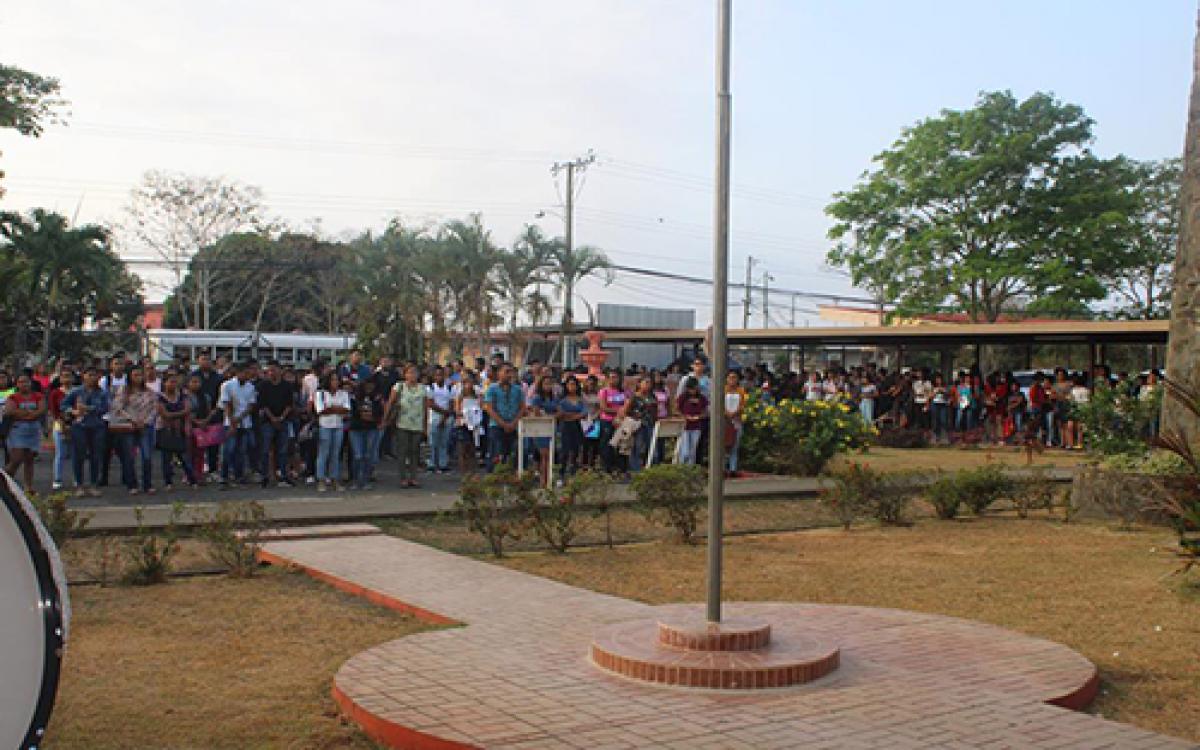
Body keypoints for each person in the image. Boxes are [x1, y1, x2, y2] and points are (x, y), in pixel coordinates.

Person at [108, 367, 157, 495]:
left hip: (145, 426)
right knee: (129, 457)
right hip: (129, 426)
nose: (138, 377)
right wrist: (133, 420)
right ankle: (132, 484)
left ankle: (147, 484)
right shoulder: (123, 391)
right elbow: (118, 408)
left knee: (146, 456)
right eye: (135, 375)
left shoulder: (150, 392)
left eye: (140, 374)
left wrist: (145, 421)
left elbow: (154, 409)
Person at [63, 367, 109, 497]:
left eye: (95, 375)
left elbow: (105, 408)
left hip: (97, 426)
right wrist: (73, 411)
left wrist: (88, 408)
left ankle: (94, 484)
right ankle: (79, 484)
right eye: (89, 375)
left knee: (96, 456)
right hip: (79, 426)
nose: (92, 378)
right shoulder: (76, 391)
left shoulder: (102, 393)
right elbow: (64, 405)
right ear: (83, 376)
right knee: (79, 456)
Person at [387, 365, 429, 487]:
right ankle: (403, 478)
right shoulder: (399, 386)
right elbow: (390, 403)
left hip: (417, 423)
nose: (412, 375)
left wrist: (425, 425)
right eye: (409, 373)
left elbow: (425, 407)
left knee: (415, 451)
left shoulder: (423, 388)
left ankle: (413, 477)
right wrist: (386, 418)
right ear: (405, 374)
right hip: (402, 423)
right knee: (403, 451)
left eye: (415, 373)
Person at [4, 374, 46, 492]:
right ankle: (5, 481)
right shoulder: (13, 397)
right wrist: (30, 413)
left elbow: (41, 410)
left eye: (26, 381)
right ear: (17, 384)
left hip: (33, 429)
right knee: (16, 459)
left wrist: (24, 413)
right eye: (21, 382)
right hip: (18, 429)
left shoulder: (38, 396)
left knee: (29, 459)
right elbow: (10, 411)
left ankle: (28, 487)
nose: (24, 384)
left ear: (30, 383)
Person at [218, 362, 258, 488]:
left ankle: (239, 476)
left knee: (241, 451)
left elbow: (250, 406)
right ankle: (223, 476)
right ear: (238, 372)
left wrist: (239, 418)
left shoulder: (250, 387)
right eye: (245, 373)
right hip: (230, 422)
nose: (247, 375)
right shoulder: (227, 385)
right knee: (228, 450)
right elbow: (226, 404)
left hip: (245, 422)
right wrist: (232, 422)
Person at [256, 360, 294, 487]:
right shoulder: (263, 385)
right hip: (267, 421)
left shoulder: (287, 386)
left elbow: (289, 404)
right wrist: (272, 418)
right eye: (269, 370)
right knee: (265, 450)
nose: (271, 373)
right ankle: (265, 476)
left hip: (283, 420)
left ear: (280, 370)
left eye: (274, 370)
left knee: (283, 450)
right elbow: (262, 404)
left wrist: (282, 417)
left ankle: (284, 475)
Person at [156, 372, 197, 489]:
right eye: (171, 382)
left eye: (175, 382)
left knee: (184, 457)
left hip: (181, 430)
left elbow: (188, 409)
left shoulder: (182, 396)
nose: (173, 384)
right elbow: (165, 415)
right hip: (165, 430)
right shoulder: (160, 398)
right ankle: (168, 482)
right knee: (166, 458)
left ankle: (192, 480)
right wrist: (180, 413)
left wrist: (174, 414)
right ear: (164, 383)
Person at [482, 364, 525, 471]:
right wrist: (503, 424)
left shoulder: (517, 389)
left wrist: (514, 423)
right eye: (506, 372)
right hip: (496, 426)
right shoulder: (492, 388)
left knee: (512, 455)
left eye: (511, 372)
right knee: (496, 455)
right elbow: (489, 408)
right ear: (499, 373)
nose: (509, 375)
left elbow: (522, 408)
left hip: (513, 426)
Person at [313, 372, 351, 492]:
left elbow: (347, 409)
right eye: (333, 380)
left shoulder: (343, 393)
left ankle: (334, 479)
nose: (335, 382)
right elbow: (320, 410)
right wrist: (337, 409)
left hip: (338, 426)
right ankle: (321, 479)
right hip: (325, 426)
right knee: (323, 453)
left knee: (336, 454)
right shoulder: (321, 393)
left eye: (337, 380)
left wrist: (331, 408)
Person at [192, 352, 224, 479]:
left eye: (208, 359)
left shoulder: (218, 377)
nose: (205, 361)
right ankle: (195, 471)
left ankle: (213, 469)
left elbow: (221, 397)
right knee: (196, 446)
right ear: (198, 361)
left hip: (214, 414)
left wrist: (213, 413)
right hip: (196, 415)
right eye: (203, 359)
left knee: (213, 445)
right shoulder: (193, 376)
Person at [348, 380, 383, 489]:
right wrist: (361, 415)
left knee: (368, 455)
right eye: (367, 386)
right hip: (356, 429)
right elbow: (352, 413)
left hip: (371, 428)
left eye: (372, 386)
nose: (369, 388)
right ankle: (355, 479)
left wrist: (373, 418)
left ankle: (365, 480)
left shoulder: (377, 399)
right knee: (358, 455)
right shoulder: (354, 398)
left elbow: (380, 413)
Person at [527, 374, 561, 483]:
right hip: (540, 429)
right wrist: (548, 415)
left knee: (550, 455)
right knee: (544, 455)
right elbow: (536, 412)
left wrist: (552, 416)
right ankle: (543, 480)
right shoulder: (537, 398)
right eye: (546, 384)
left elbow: (560, 412)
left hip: (552, 427)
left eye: (550, 384)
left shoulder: (554, 398)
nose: (548, 386)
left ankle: (549, 479)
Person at [49, 370, 74, 491]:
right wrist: (62, 424)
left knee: (75, 454)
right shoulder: (55, 393)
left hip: (76, 425)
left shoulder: (77, 391)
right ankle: (57, 479)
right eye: (64, 376)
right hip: (59, 425)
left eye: (69, 376)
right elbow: (53, 411)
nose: (67, 379)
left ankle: (76, 478)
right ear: (60, 379)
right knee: (60, 453)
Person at [598, 371, 628, 474]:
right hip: (607, 421)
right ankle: (607, 467)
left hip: (621, 422)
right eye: (611, 377)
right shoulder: (604, 391)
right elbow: (603, 407)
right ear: (607, 379)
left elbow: (627, 405)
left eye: (616, 377)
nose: (614, 379)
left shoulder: (622, 392)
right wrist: (618, 411)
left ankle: (620, 467)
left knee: (621, 444)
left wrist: (623, 412)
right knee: (607, 444)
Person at [455, 373, 485, 475]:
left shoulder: (477, 391)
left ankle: (473, 472)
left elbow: (481, 405)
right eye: (465, 382)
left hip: (475, 423)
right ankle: (464, 473)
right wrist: (464, 415)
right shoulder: (460, 392)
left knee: (473, 449)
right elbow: (457, 409)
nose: (468, 384)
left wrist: (475, 413)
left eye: (470, 381)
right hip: (463, 423)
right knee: (463, 449)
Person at [426, 366, 454, 474]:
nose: (439, 377)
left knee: (444, 442)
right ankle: (432, 463)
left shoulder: (449, 388)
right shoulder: (430, 388)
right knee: (433, 442)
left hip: (447, 418)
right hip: (434, 417)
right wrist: (444, 412)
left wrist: (446, 415)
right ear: (433, 376)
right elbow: (431, 404)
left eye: (441, 375)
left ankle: (443, 464)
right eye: (437, 375)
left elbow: (451, 403)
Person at [557, 376, 586, 477]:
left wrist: (571, 416)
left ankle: (573, 471)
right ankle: (562, 472)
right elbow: (561, 413)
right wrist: (575, 415)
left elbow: (584, 413)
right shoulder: (562, 400)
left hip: (577, 426)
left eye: (574, 384)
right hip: (565, 426)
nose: (572, 386)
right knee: (564, 450)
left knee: (576, 449)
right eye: (570, 384)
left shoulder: (580, 399)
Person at [675, 377, 707, 465]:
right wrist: (685, 417)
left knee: (693, 450)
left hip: (697, 426)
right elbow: (676, 410)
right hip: (685, 426)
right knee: (685, 450)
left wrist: (699, 417)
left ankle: (691, 468)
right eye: (691, 389)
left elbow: (705, 412)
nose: (693, 391)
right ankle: (682, 466)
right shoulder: (683, 397)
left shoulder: (702, 398)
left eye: (694, 389)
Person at [723, 371, 747, 475]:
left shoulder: (741, 391)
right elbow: (719, 403)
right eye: (730, 377)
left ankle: (733, 468)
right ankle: (723, 468)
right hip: (725, 421)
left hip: (737, 420)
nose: (732, 380)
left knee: (735, 445)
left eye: (734, 377)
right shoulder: (723, 390)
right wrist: (726, 413)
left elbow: (743, 404)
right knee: (724, 445)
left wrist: (736, 412)